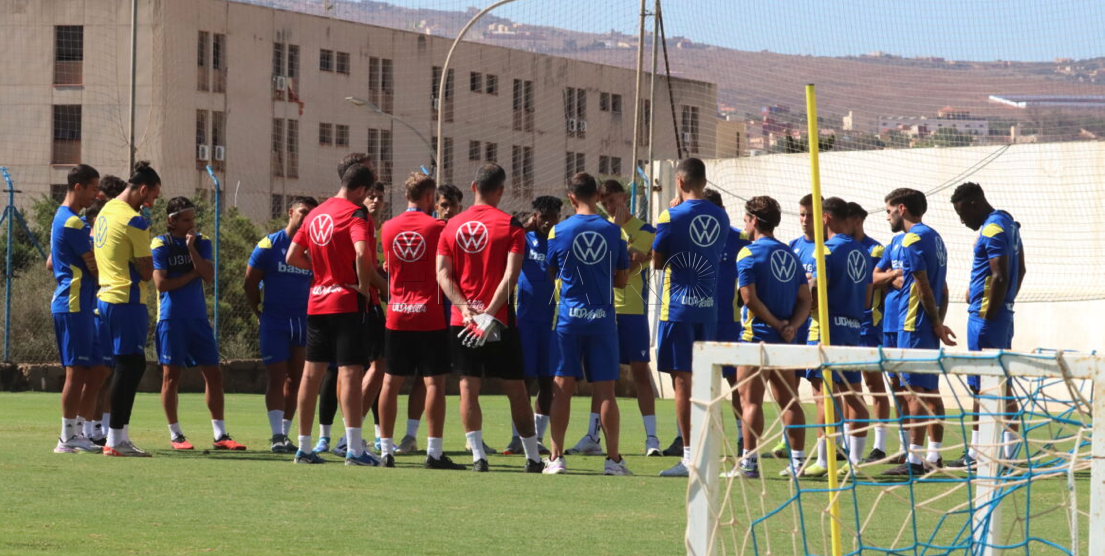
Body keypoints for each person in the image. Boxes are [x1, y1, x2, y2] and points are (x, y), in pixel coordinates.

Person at [435, 163, 544, 473]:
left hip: (463, 320)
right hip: (499, 320)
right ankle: (533, 458)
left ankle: (478, 457)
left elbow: (442, 274)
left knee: (468, 388)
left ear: (473, 187)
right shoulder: (511, 225)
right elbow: (512, 275)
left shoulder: (451, 225)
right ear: (500, 190)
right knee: (516, 389)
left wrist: (466, 307)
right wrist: (489, 312)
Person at [286, 162, 384, 466]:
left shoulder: (315, 213)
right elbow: (360, 252)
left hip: (317, 301)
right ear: (361, 190)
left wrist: (322, 273)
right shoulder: (356, 213)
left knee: (310, 374)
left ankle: (303, 447)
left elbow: (292, 255)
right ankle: (355, 449)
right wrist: (363, 286)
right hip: (345, 302)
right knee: (350, 373)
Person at [566, 179, 663, 458]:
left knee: (641, 372)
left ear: (625, 198)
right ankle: (592, 436)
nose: (609, 206)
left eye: (613, 200)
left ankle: (652, 438)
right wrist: (631, 251)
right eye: (604, 202)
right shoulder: (604, 229)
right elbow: (615, 263)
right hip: (604, 310)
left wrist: (637, 255)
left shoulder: (645, 230)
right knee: (601, 377)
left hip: (633, 311)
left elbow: (628, 265)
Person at [376, 172, 466, 470]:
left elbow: (389, 266)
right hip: (428, 314)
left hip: (397, 313)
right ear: (430, 197)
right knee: (434, 383)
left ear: (406, 196)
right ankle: (434, 452)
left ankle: (386, 451)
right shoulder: (439, 227)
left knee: (390, 381)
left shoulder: (387, 228)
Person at [544, 173, 630, 475]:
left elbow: (551, 272)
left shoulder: (558, 231)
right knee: (606, 391)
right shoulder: (615, 232)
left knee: (562, 386)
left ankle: (556, 459)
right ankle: (614, 460)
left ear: (571, 197)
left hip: (569, 319)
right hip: (603, 320)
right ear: (597, 195)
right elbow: (622, 280)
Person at [653, 158, 730, 478]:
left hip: (679, 308)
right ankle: (708, 452)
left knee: (682, 383)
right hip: (708, 307)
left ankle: (689, 458)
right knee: (706, 383)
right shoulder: (722, 216)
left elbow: (658, 261)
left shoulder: (670, 215)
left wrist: (669, 218)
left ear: (681, 182)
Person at [152, 197, 245, 451]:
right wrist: (193, 273)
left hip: (198, 319)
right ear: (172, 220)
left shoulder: (202, 241)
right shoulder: (161, 243)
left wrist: (192, 250)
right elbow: (161, 284)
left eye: (193, 218)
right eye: (186, 219)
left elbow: (209, 276)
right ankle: (176, 435)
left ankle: (221, 435)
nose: (192, 223)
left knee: (214, 374)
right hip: (171, 319)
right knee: (171, 377)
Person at [946, 182, 1026, 470]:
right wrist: (1002, 304)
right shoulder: (1008, 223)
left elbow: (1000, 276)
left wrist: (989, 312)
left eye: (961, 212)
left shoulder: (992, 227)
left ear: (973, 203)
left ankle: (993, 453)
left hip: (986, 319)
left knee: (987, 386)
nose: (961, 220)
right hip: (999, 314)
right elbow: (1021, 270)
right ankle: (985, 452)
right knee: (992, 383)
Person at [730, 196, 811, 479]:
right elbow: (806, 299)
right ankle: (798, 462)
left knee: (749, 401)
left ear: (753, 220)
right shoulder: (791, 253)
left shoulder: (748, 253)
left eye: (745, 218)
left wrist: (776, 323)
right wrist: (791, 327)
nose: (744, 223)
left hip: (756, 338)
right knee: (789, 400)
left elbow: (748, 297)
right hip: (785, 342)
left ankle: (749, 463)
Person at [882, 188, 957, 477]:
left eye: (888, 210)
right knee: (930, 391)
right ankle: (934, 456)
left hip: (913, 324)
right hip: (925, 326)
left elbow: (923, 284)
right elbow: (943, 288)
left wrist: (936, 322)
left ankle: (914, 461)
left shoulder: (912, 238)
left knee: (913, 392)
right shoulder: (935, 237)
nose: (887, 216)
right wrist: (938, 321)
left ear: (901, 209)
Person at [94, 161, 161, 457]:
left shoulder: (106, 211)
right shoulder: (135, 221)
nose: (153, 203)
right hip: (127, 299)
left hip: (105, 297)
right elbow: (147, 271)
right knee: (129, 365)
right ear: (143, 189)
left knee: (127, 364)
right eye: (154, 196)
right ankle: (116, 439)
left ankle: (114, 436)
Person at [803, 197, 871, 478]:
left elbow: (816, 295)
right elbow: (867, 298)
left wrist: (804, 293)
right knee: (853, 396)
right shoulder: (863, 251)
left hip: (825, 329)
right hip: (853, 329)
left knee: (823, 396)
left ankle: (823, 459)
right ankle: (854, 462)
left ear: (826, 218)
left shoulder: (825, 251)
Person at [245, 196, 318, 452]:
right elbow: (249, 283)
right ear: (290, 212)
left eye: (311, 214)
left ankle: (286, 434)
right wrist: (260, 313)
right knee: (276, 377)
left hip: (303, 321)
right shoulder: (269, 244)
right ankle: (276, 435)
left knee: (296, 379)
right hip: (274, 321)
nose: (306, 217)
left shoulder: (314, 248)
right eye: (303, 212)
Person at [50, 164, 106, 454]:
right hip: (72, 304)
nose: (96, 194)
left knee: (97, 368)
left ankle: (80, 432)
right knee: (76, 372)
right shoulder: (72, 222)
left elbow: (52, 262)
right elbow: (93, 263)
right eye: (92, 188)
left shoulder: (67, 219)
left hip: (81, 305)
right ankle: (66, 438)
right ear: (77, 187)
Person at [503, 195, 561, 455]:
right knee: (524, 379)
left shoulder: (559, 241)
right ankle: (518, 436)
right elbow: (504, 235)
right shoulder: (523, 238)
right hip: (524, 319)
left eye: (553, 216)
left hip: (551, 321)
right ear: (534, 215)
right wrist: (525, 226)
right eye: (543, 216)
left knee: (548, 380)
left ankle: (538, 436)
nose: (548, 221)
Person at [703, 188, 751, 455]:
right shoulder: (695, 237)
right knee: (698, 380)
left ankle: (742, 437)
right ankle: (691, 438)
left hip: (729, 322)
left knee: (736, 381)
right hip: (700, 317)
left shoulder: (739, 238)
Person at [846, 202, 894, 464]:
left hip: (869, 325)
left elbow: (877, 277)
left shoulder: (875, 249)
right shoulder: (840, 246)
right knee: (846, 386)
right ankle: (846, 442)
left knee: (873, 383)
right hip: (845, 324)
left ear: (857, 220)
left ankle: (880, 445)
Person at [86, 175, 129, 446]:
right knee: (99, 372)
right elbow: (54, 262)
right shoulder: (90, 223)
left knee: (110, 371)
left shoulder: (112, 223)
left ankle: (99, 429)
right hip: (94, 305)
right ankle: (86, 429)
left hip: (107, 303)